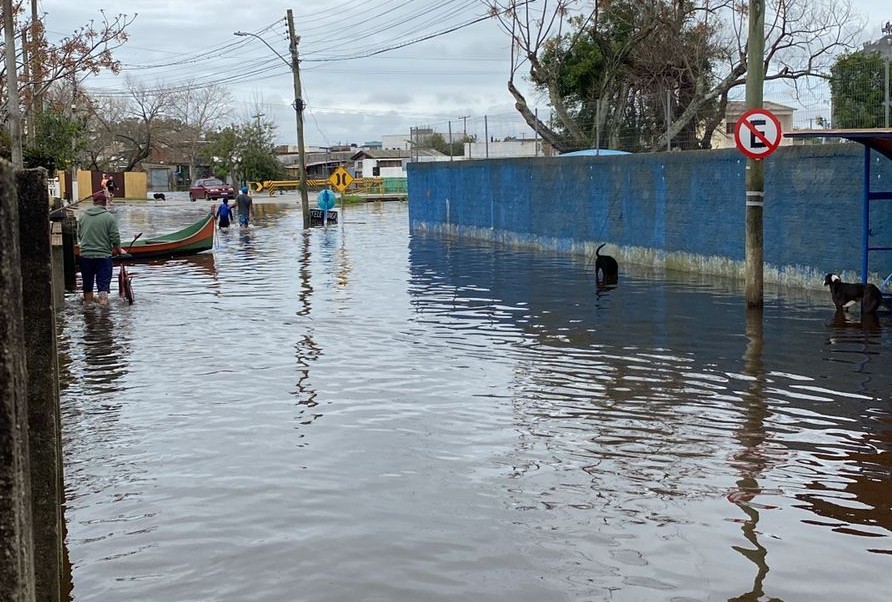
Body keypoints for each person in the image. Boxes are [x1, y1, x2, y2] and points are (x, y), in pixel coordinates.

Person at [78, 190, 122, 305]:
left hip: (85, 256)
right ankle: (104, 317)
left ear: (93, 203)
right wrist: (118, 249)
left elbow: (79, 235)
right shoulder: (109, 218)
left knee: (87, 286)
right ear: (105, 203)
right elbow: (115, 238)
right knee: (102, 288)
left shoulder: (82, 217)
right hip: (103, 256)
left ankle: (88, 313)